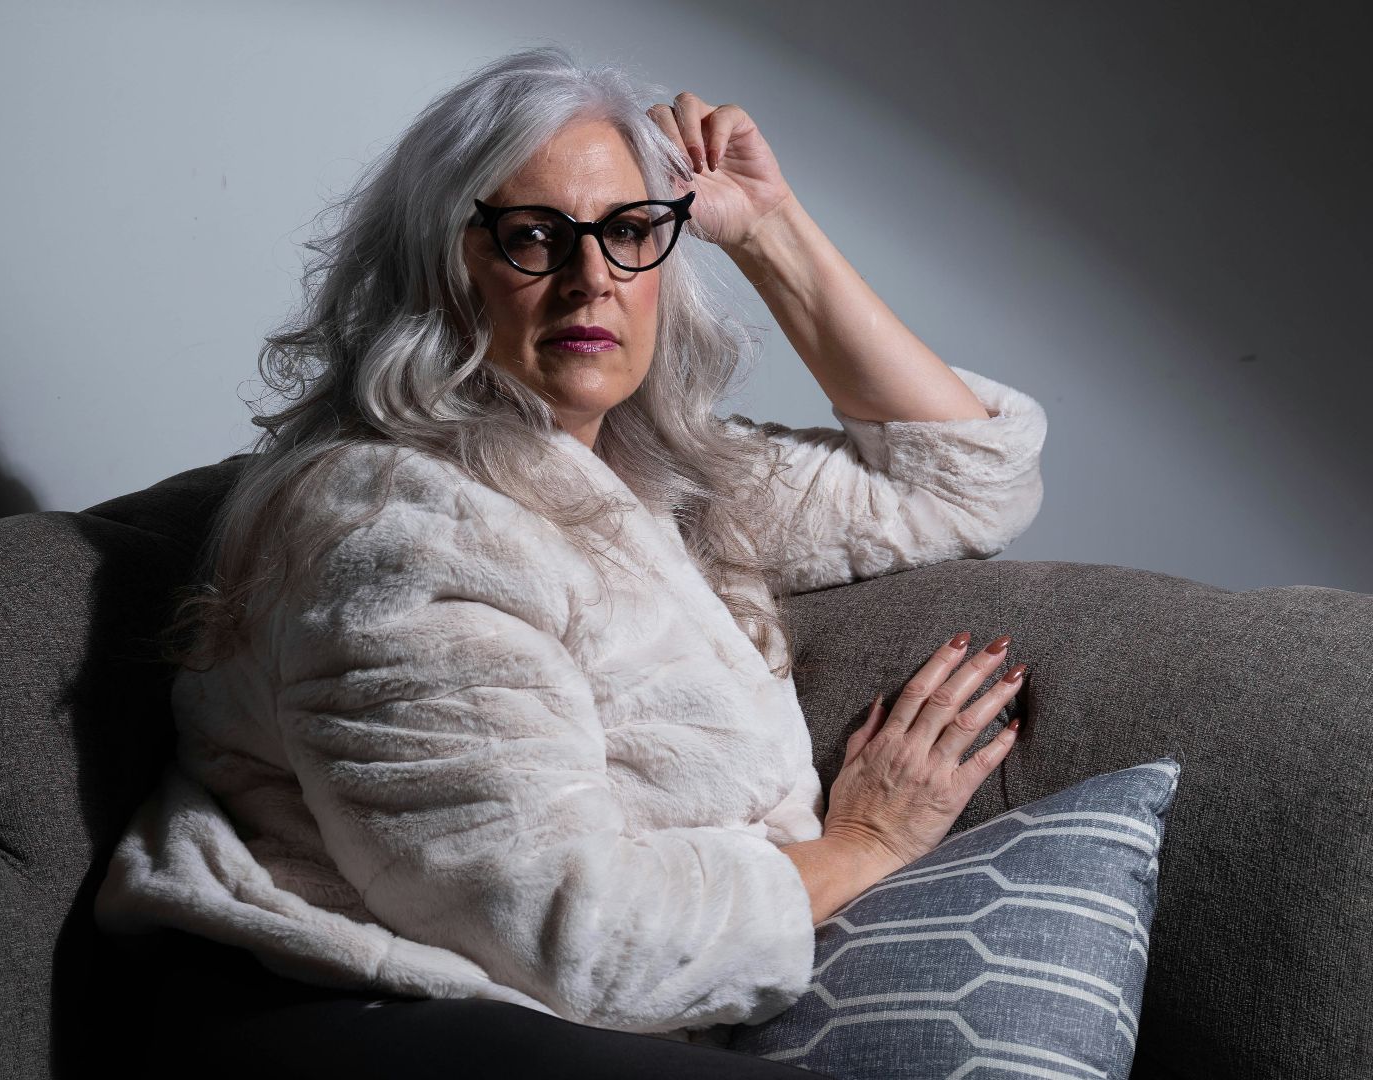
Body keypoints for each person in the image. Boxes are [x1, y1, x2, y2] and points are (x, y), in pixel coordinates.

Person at [93, 45, 1045, 1076]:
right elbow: (578, 939)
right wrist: (865, 845)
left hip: (559, 1016)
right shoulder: (399, 531)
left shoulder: (640, 470)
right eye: (535, 237)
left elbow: (967, 480)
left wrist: (768, 232)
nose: (594, 278)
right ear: (441, 270)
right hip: (376, 1019)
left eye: (632, 232)